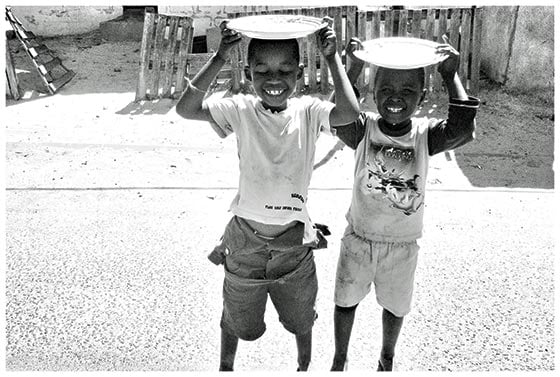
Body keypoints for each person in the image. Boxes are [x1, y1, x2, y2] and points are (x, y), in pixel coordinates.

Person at [175, 18, 359, 371]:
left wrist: (333, 58)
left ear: (300, 72)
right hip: (245, 242)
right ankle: (225, 368)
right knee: (236, 315)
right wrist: (218, 57)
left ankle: (303, 367)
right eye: (262, 70)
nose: (274, 79)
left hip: (294, 242)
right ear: (247, 72)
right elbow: (186, 110)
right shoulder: (241, 109)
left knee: (301, 316)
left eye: (285, 69)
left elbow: (348, 112)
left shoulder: (309, 111)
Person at [329, 36, 480, 371]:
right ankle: (340, 357)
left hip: (402, 246)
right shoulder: (362, 129)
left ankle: (387, 355)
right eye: (385, 91)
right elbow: (336, 115)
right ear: (371, 94)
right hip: (359, 239)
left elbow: (461, 127)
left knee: (395, 307)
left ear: (422, 97)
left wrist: (450, 75)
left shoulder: (425, 135)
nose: (395, 98)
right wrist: (351, 69)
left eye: (408, 92)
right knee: (344, 301)